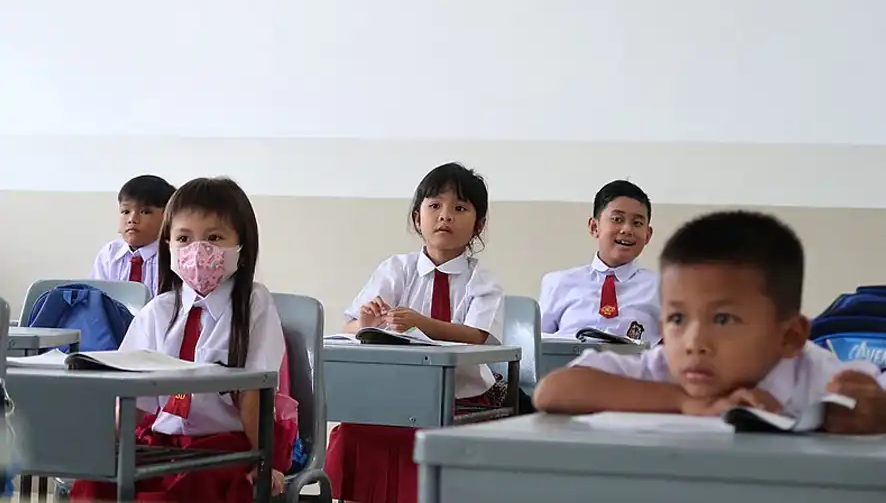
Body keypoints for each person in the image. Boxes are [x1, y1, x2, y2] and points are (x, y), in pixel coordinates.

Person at [533, 210, 886, 430]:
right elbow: (553, 391)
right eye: (677, 318)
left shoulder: (820, 378)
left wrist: (878, 414)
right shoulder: (663, 369)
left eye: (723, 319)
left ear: (790, 337)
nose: (693, 342)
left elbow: (875, 398)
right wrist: (685, 402)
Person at [71, 177, 293, 502]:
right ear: (169, 246)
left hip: (227, 442)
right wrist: (104, 452)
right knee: (96, 483)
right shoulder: (158, 310)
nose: (197, 250)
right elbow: (129, 392)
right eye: (184, 238)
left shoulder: (253, 305)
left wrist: (265, 460)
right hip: (163, 441)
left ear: (243, 249)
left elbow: (254, 393)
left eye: (214, 238)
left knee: (189, 489)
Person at [325, 162, 508, 503]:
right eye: (435, 206)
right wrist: (366, 324)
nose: (445, 216)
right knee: (354, 431)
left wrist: (421, 324)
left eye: (460, 208)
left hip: (462, 400)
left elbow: (478, 335)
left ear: (479, 224)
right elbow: (350, 327)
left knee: (427, 434)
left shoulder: (482, 279)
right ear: (417, 217)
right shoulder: (396, 269)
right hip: (395, 396)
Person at [539, 179, 660, 343]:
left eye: (637, 223)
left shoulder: (660, 289)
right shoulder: (558, 283)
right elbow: (536, 345)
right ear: (594, 227)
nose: (627, 230)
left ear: (648, 235)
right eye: (617, 219)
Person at [90, 174, 176, 297]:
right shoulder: (110, 253)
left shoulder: (172, 255)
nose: (132, 219)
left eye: (145, 212)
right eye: (125, 211)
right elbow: (95, 297)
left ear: (167, 216)